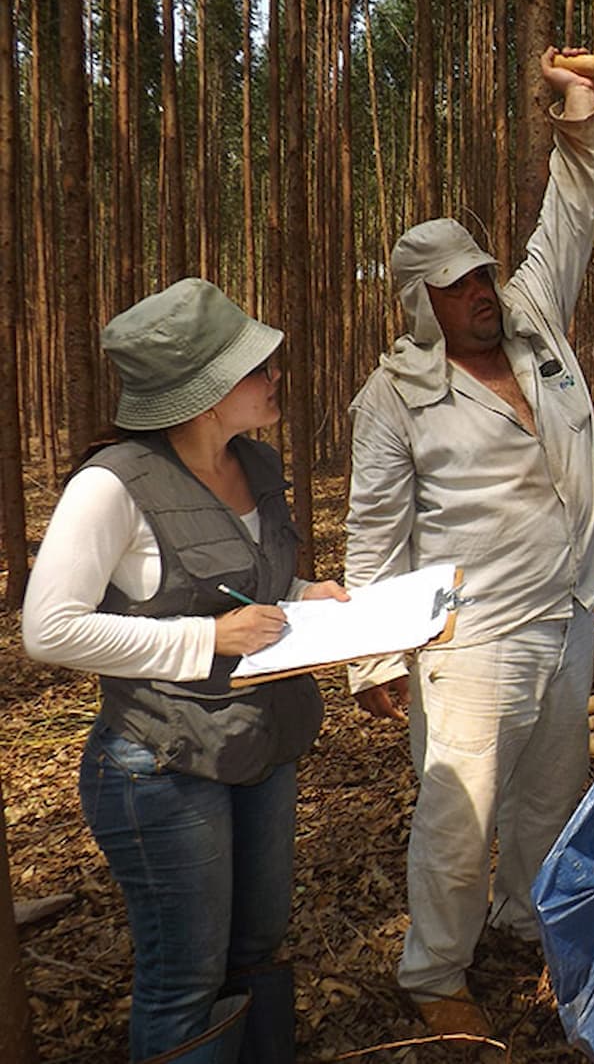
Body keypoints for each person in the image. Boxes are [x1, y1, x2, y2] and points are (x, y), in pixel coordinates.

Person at [343, 45, 594, 1041]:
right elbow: (372, 527)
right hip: (468, 639)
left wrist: (579, 119)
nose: (481, 293)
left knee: (549, 799)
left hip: (564, 612)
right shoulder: (396, 395)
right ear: (421, 302)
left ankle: (526, 923)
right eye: (457, 286)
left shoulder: (537, 323)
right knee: (459, 817)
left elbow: (571, 214)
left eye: (483, 273)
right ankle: (434, 971)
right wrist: (373, 653)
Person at [22, 278, 349, 1063]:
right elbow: (48, 628)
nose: (275, 377)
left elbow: (244, 585)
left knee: (259, 949)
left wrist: (311, 595)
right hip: (160, 765)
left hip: (258, 746)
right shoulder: (112, 486)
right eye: (256, 368)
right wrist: (204, 640)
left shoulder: (256, 465)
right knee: (184, 979)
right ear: (206, 396)